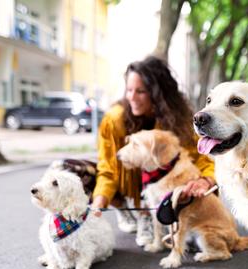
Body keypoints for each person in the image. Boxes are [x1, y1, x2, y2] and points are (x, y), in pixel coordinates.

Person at [92, 56, 215, 246]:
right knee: (71, 169)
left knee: (180, 170)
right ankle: (130, 209)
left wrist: (205, 180)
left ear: (158, 94)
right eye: (129, 90)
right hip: (127, 181)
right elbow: (107, 168)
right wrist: (99, 203)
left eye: (140, 91)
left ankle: (152, 212)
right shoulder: (114, 120)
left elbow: (201, 159)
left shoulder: (178, 119)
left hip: (162, 183)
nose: (132, 97)